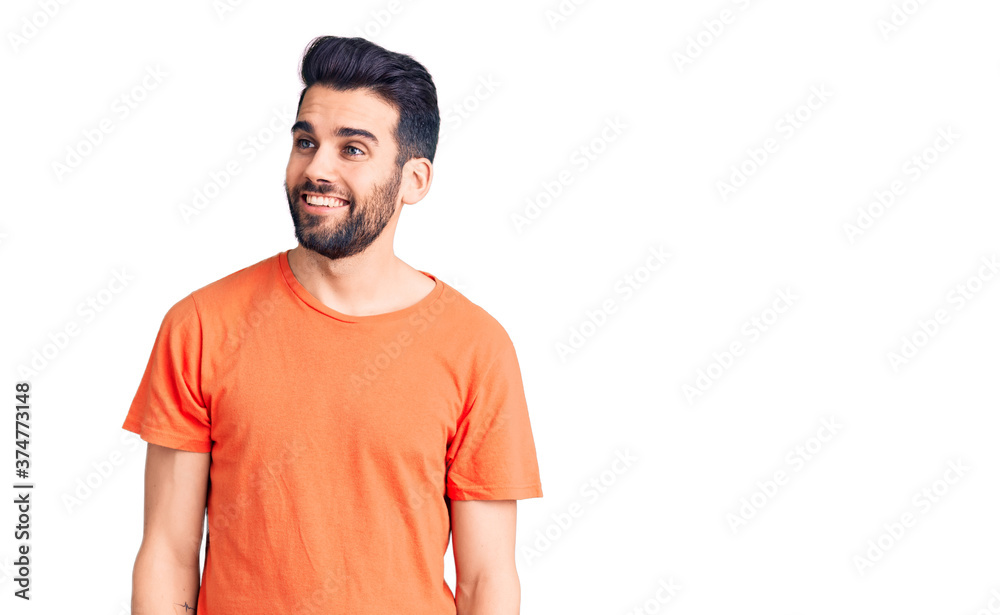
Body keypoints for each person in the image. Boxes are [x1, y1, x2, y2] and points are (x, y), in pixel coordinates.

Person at [122, 35, 543, 614]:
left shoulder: (476, 348)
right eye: (305, 142)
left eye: (352, 150)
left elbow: (487, 580)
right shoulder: (200, 326)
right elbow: (168, 554)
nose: (316, 168)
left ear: (414, 180)